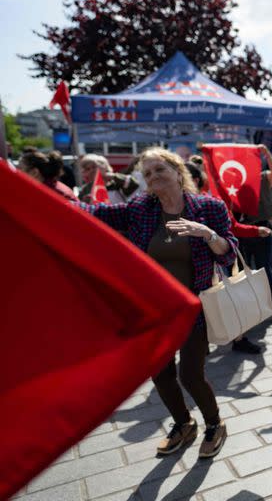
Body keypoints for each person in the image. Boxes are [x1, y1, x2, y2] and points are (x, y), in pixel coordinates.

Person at [78, 147, 232, 458]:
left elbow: (228, 252)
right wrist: (46, 200)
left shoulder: (208, 207)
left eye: (159, 169)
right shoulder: (141, 208)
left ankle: (214, 424)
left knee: (190, 374)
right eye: (147, 173)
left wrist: (207, 234)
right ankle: (183, 424)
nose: (153, 177)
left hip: (195, 309)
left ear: (178, 172)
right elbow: (95, 212)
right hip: (155, 311)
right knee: (160, 374)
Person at [233, 144, 272, 353]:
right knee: (244, 272)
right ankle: (250, 306)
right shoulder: (236, 180)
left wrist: (267, 153)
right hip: (244, 230)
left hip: (262, 228)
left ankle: (266, 304)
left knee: (263, 268)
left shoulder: (263, 177)